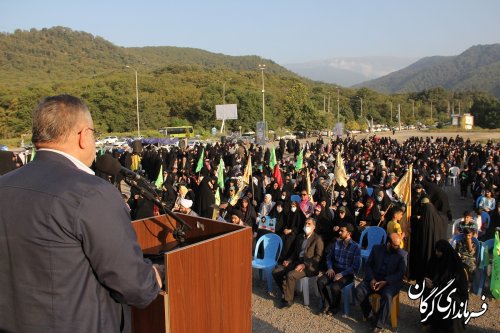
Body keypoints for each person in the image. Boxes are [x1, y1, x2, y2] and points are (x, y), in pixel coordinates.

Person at [0, 95, 162, 333]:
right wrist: (155, 276)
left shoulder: (4, 185)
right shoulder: (92, 193)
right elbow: (134, 287)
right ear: (83, 135)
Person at [355, 233, 406, 333]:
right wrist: (372, 279)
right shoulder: (376, 249)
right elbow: (369, 265)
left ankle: (378, 325)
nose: (398, 247)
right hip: (374, 280)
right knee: (358, 291)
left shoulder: (402, 254)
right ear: (388, 244)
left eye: (399, 244)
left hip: (390, 283)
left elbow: (400, 273)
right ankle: (370, 315)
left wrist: (386, 281)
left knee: (387, 296)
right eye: (395, 245)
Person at [272, 218, 324, 308]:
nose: (306, 226)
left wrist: (304, 265)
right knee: (276, 272)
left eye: (309, 224)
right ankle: (289, 292)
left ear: (314, 227)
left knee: (290, 275)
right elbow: (295, 253)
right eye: (305, 223)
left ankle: (288, 300)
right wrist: (289, 260)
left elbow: (318, 257)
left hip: (310, 267)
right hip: (297, 262)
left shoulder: (317, 239)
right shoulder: (300, 237)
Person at [421, 240, 469, 332]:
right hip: (436, 288)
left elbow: (455, 283)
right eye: (436, 250)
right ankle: (430, 324)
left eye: (439, 251)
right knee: (428, 295)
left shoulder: (454, 263)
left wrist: (436, 285)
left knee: (450, 302)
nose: (436, 253)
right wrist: (426, 280)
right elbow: (427, 272)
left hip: (453, 292)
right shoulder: (435, 259)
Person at [316, 223, 361, 315]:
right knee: (320, 281)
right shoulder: (336, 243)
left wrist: (342, 274)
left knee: (335, 287)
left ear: (349, 233)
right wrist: (330, 268)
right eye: (339, 230)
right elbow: (329, 257)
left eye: (342, 231)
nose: (339, 232)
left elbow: (355, 266)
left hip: (347, 273)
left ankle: (335, 307)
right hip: (334, 269)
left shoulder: (356, 247)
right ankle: (326, 303)